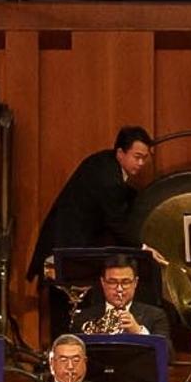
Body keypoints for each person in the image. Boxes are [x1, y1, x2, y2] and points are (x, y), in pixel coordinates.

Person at [29, 127, 150, 330]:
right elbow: (116, 222)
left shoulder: (104, 163)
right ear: (121, 153)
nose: (141, 163)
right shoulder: (108, 178)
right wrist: (144, 248)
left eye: (145, 158)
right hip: (65, 249)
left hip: (74, 246)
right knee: (67, 316)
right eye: (137, 157)